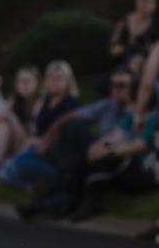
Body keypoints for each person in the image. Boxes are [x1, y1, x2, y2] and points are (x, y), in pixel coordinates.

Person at [15, 66, 136, 219]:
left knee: (77, 158)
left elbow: (128, 139)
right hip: (99, 151)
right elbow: (70, 117)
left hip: (123, 157)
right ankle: (51, 197)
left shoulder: (137, 110)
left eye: (122, 85)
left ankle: (55, 199)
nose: (116, 89)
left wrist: (103, 148)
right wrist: (48, 138)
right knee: (71, 130)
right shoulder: (108, 105)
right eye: (113, 85)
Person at [0, 60, 80, 193]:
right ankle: (35, 184)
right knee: (9, 169)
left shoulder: (71, 105)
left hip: (56, 156)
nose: (54, 81)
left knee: (16, 165)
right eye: (51, 77)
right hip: (40, 151)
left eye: (59, 78)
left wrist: (38, 141)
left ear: (68, 81)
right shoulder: (45, 102)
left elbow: (66, 136)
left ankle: (51, 182)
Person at [66, 108, 159, 222]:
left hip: (147, 170)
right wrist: (98, 146)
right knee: (91, 152)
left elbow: (141, 145)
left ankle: (86, 201)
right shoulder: (133, 116)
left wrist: (109, 152)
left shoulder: (153, 117)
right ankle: (73, 198)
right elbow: (115, 135)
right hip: (132, 163)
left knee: (103, 157)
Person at [108, 0, 159, 77]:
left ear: (155, 5)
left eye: (149, 1)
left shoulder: (156, 25)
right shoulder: (124, 22)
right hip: (122, 65)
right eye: (143, 0)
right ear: (136, 1)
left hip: (148, 67)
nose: (145, 4)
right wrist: (129, 49)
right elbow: (113, 50)